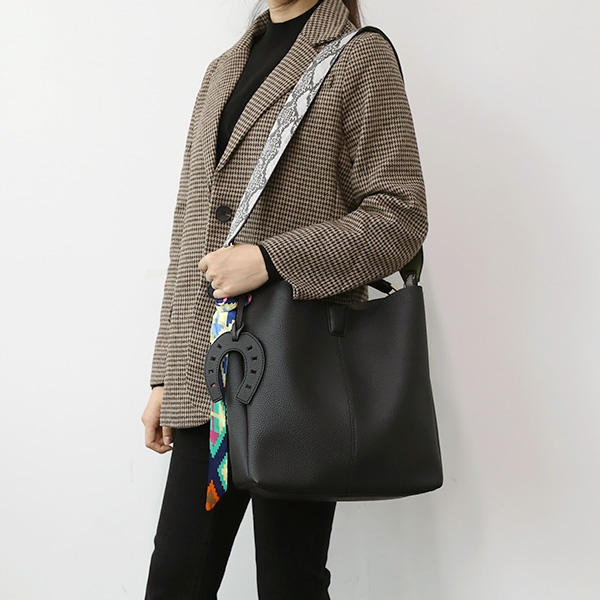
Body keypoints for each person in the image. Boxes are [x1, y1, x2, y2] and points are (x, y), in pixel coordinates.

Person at [141, 0, 428, 597]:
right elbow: (188, 226)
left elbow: (401, 217)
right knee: (175, 579)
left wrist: (272, 259)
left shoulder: (359, 56)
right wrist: (165, 376)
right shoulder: (223, 69)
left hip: (299, 378)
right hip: (208, 375)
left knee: (289, 583)